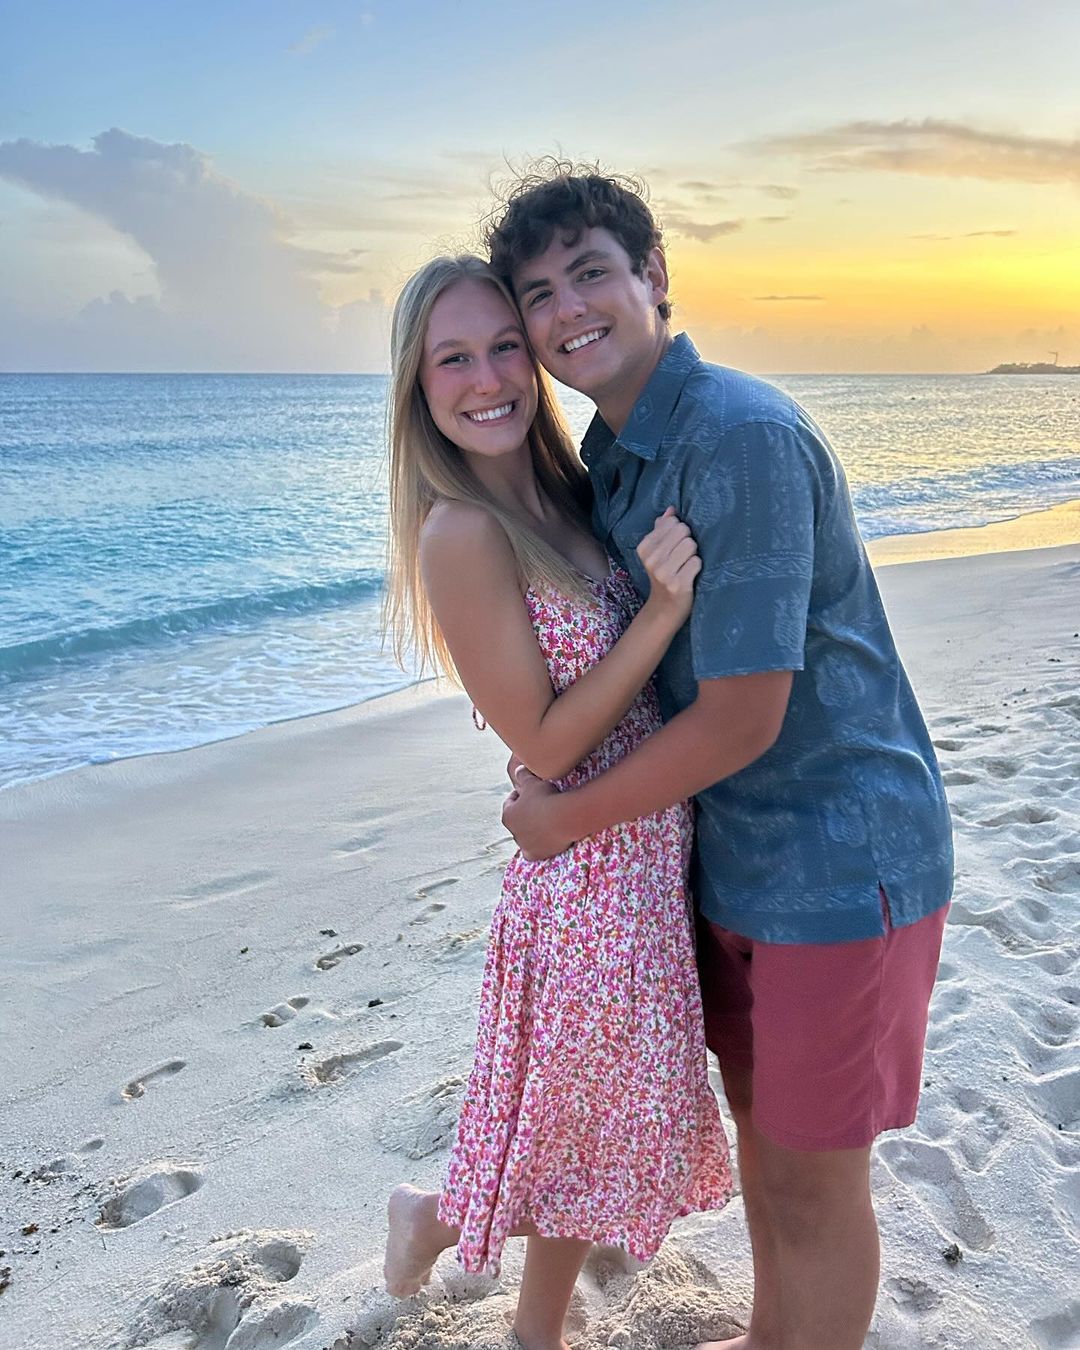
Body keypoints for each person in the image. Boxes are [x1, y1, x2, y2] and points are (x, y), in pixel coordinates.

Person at [488, 166, 954, 1350]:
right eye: (537, 293)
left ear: (654, 276)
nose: (566, 309)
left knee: (815, 1185)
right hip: (732, 860)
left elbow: (745, 715)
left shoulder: (736, 436)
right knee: (767, 1149)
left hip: (837, 861)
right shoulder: (617, 452)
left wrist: (565, 817)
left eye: (590, 272)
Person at [380, 254, 732, 1350]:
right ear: (418, 386)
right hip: (584, 878)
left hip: (643, 849)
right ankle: (445, 1234)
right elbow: (541, 737)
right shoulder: (461, 531)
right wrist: (662, 613)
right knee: (582, 1120)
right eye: (453, 359)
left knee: (587, 1124)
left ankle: (492, 1284)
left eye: (502, 348)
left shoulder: (567, 490)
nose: (487, 378)